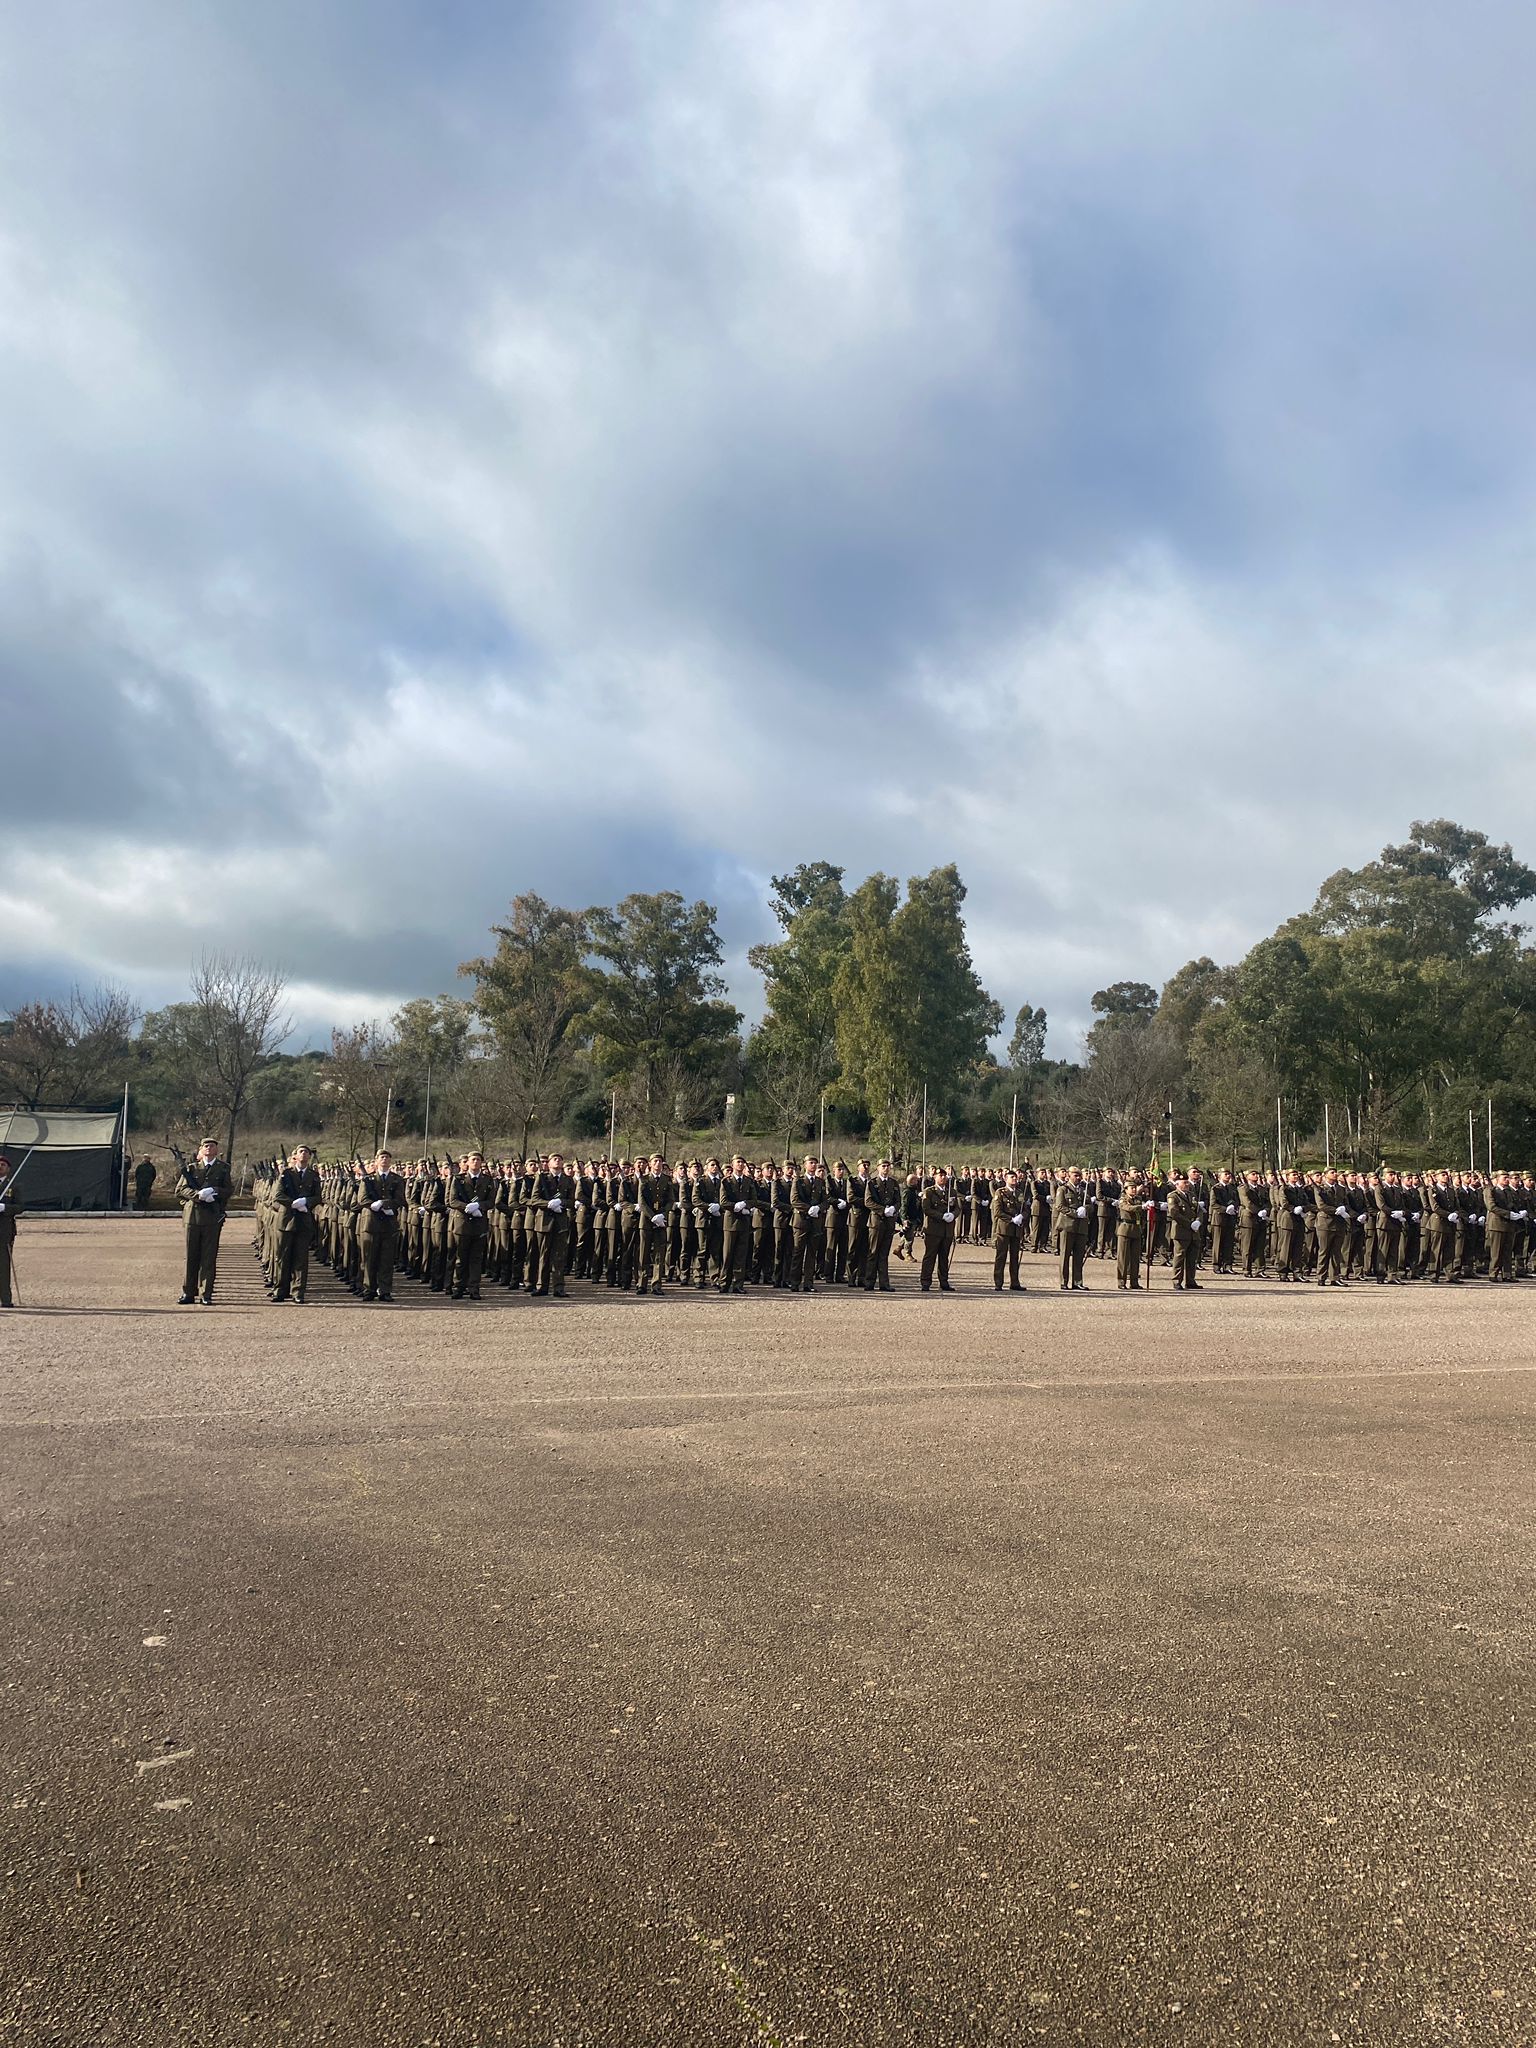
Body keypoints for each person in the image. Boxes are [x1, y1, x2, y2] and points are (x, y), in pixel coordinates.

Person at [176, 1139, 232, 1304]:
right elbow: (180, 1190)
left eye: (212, 1146)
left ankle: (206, 1293)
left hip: (212, 1218)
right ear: (201, 1149)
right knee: (191, 1256)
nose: (209, 1148)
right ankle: (188, 1292)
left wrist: (215, 1191)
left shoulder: (223, 1169)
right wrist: (197, 1195)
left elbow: (229, 1190)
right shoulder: (192, 1168)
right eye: (205, 1146)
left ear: (216, 1150)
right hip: (192, 1217)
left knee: (208, 1257)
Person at [271, 1145, 322, 1303]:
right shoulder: (286, 1174)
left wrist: (306, 1202)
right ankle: (280, 1290)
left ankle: (298, 1292)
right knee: (283, 1257)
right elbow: (278, 1195)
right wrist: (293, 1203)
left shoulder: (313, 1176)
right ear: (295, 1156)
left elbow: (318, 1196)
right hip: (286, 1219)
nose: (305, 1154)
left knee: (301, 1259)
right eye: (301, 1152)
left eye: (307, 1152)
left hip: (304, 1220)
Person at [919, 1167, 957, 1292]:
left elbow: (957, 1208)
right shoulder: (929, 1192)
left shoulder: (952, 1191)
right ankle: (925, 1282)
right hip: (933, 1229)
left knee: (944, 1256)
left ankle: (944, 1281)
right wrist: (941, 1216)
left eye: (944, 1175)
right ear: (934, 1177)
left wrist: (953, 1215)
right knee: (930, 1256)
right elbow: (926, 1209)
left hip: (947, 1230)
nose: (943, 1177)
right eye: (940, 1175)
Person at [992, 1169, 1026, 1292]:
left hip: (1016, 1229)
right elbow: (997, 1212)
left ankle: (1015, 1282)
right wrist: (1011, 1219)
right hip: (1004, 1228)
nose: (1014, 1180)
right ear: (1006, 1179)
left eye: (1015, 1178)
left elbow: (1025, 1208)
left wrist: (1022, 1216)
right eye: (1012, 1177)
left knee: (1014, 1257)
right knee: (1001, 1256)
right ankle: (998, 1282)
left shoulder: (1020, 1193)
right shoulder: (1000, 1192)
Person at [0, 1154, 20, 1308]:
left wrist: (5, 1208)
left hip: (5, 1232)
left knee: (4, 1266)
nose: (0, 1167)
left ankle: (6, 1299)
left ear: (8, 1168)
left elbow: (20, 1206)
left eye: (3, 1165)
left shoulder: (13, 1186)